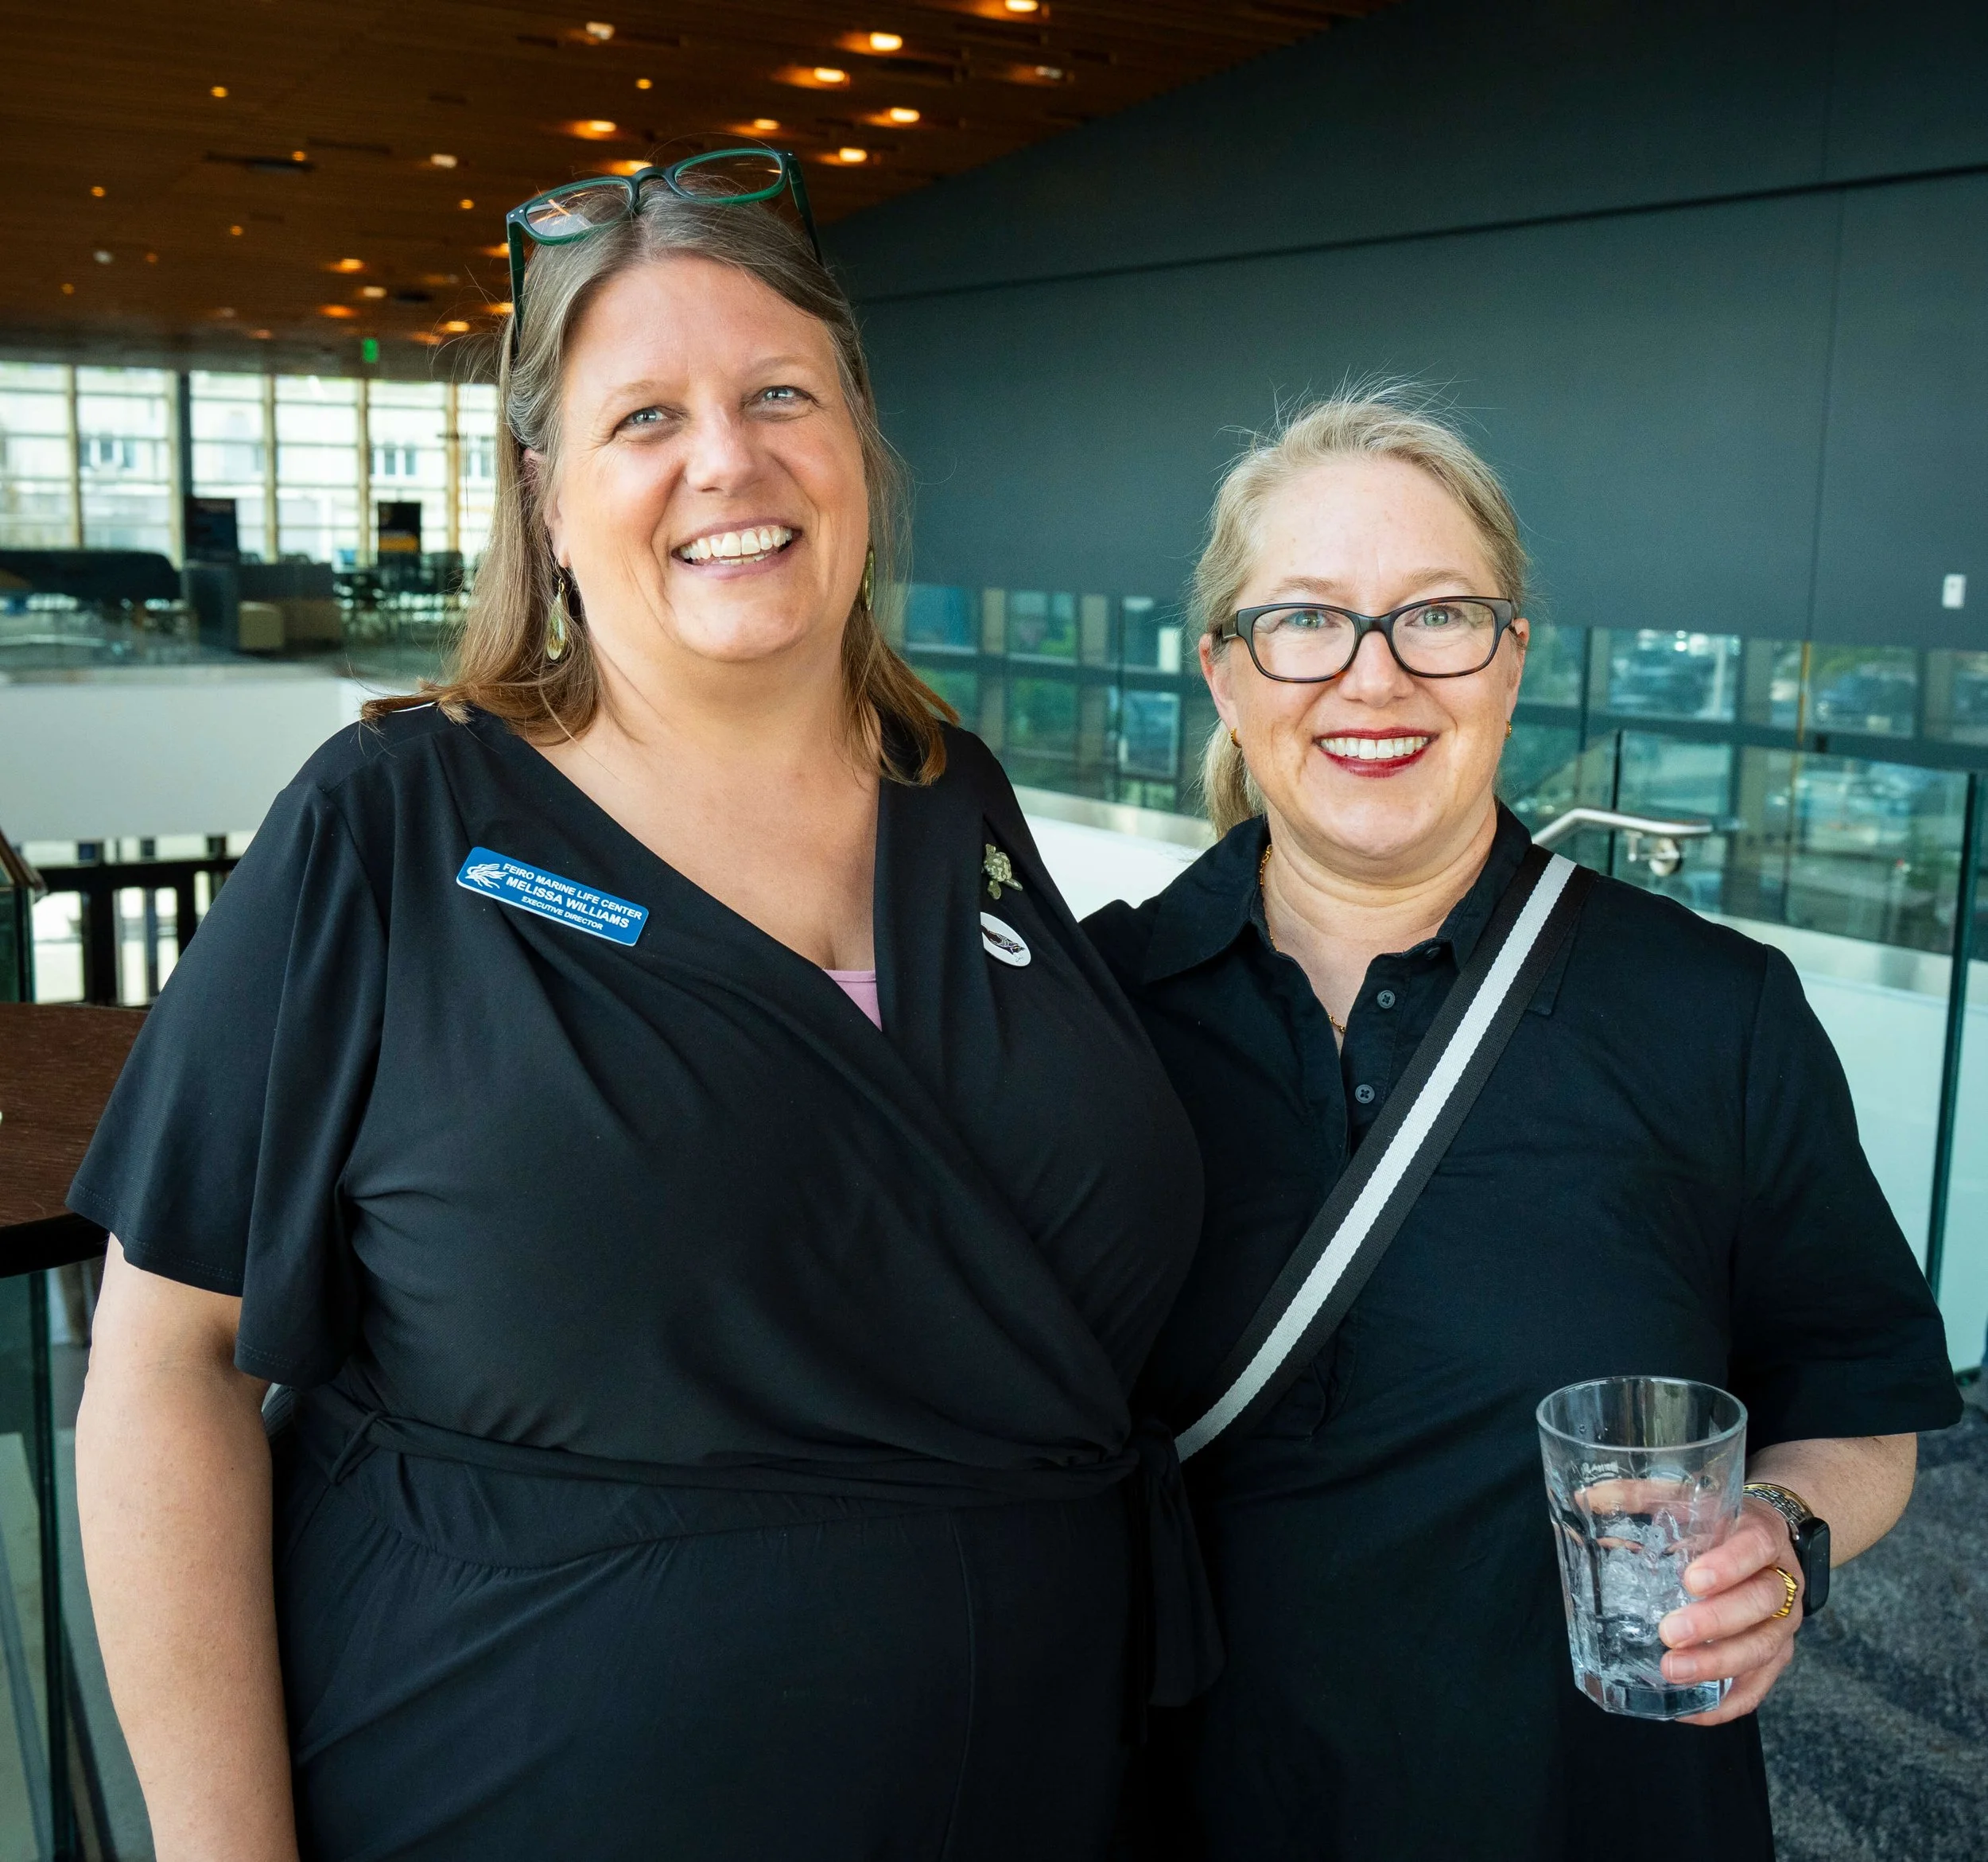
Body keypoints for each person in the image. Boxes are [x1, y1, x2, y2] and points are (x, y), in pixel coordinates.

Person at [72, 156, 1211, 1862]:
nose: (727, 460)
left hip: (1027, 1776)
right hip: (502, 1778)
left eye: (777, 395)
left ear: (855, 449)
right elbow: (164, 1373)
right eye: (643, 418)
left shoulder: (949, 795)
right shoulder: (395, 822)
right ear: (541, 494)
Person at [1086, 394, 1962, 1862]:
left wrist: (1782, 1546)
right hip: (1180, 1808)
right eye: (1306, 620)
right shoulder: (1090, 1015)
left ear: (1511, 661)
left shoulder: (1712, 1013)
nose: (1375, 680)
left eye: (1437, 615)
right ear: (1226, 675)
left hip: (1591, 1811)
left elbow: (1858, 1407)